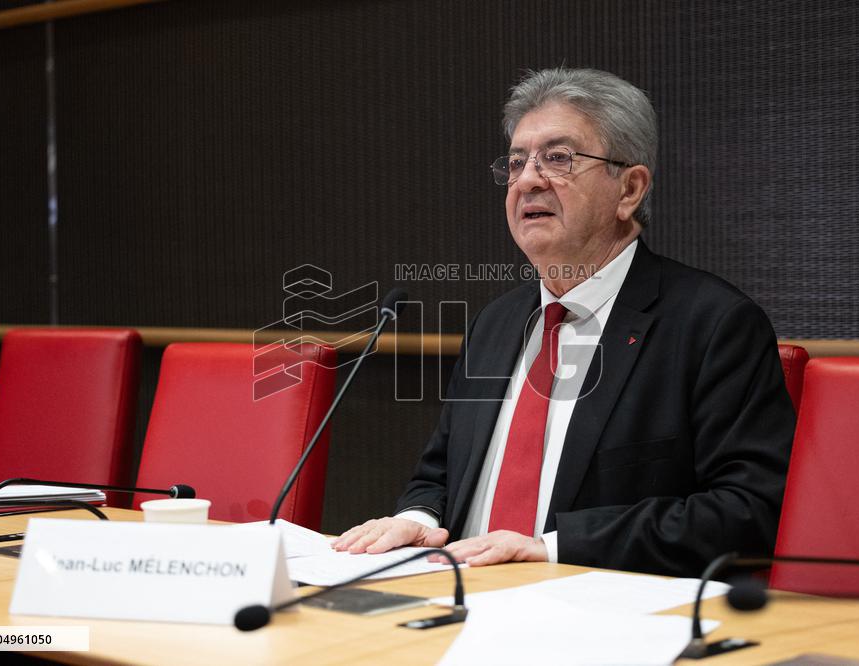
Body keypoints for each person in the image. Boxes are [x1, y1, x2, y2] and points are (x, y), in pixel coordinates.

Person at [331, 68, 795, 577]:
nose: (527, 179)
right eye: (516, 162)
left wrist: (552, 549)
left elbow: (745, 510)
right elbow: (438, 474)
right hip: (457, 600)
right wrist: (420, 517)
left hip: (605, 617)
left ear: (630, 189)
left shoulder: (712, 325)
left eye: (557, 158)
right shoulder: (496, 323)